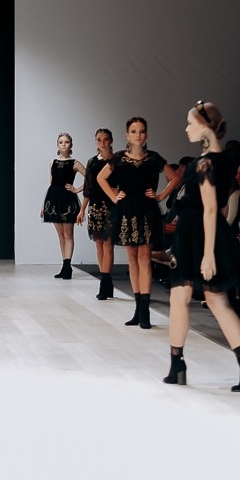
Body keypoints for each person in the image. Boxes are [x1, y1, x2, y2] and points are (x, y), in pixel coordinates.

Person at [163, 101, 240, 391]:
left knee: (190, 298)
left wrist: (207, 254)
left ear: (205, 126)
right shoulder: (220, 159)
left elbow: (209, 208)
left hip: (197, 233)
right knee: (212, 300)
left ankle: (179, 365)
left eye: (190, 123)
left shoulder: (205, 163)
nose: (186, 128)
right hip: (204, 232)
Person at [97, 117, 180, 328]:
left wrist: (160, 196)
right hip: (126, 210)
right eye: (134, 131)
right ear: (127, 135)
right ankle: (137, 308)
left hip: (146, 210)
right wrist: (114, 196)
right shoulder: (119, 158)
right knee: (132, 258)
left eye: (141, 131)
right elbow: (100, 178)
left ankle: (145, 311)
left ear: (146, 135)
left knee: (144, 258)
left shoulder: (154, 158)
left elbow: (175, 178)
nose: (138, 135)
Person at [77, 128, 116, 299]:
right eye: (99, 140)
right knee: (99, 244)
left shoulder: (117, 161)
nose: (102, 143)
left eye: (105, 139)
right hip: (95, 206)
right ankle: (105, 279)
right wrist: (82, 209)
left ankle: (105, 281)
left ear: (111, 141)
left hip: (112, 206)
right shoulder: (92, 162)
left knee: (108, 244)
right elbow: (88, 188)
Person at [40, 133, 85, 279]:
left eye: (66, 142)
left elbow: (91, 179)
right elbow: (51, 183)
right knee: (60, 235)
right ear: (57, 145)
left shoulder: (75, 163)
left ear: (71, 145)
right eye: (61, 142)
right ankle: (64, 265)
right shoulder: (52, 162)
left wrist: (76, 189)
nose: (64, 144)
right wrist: (43, 205)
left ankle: (67, 266)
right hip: (53, 200)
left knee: (68, 234)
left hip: (67, 200)